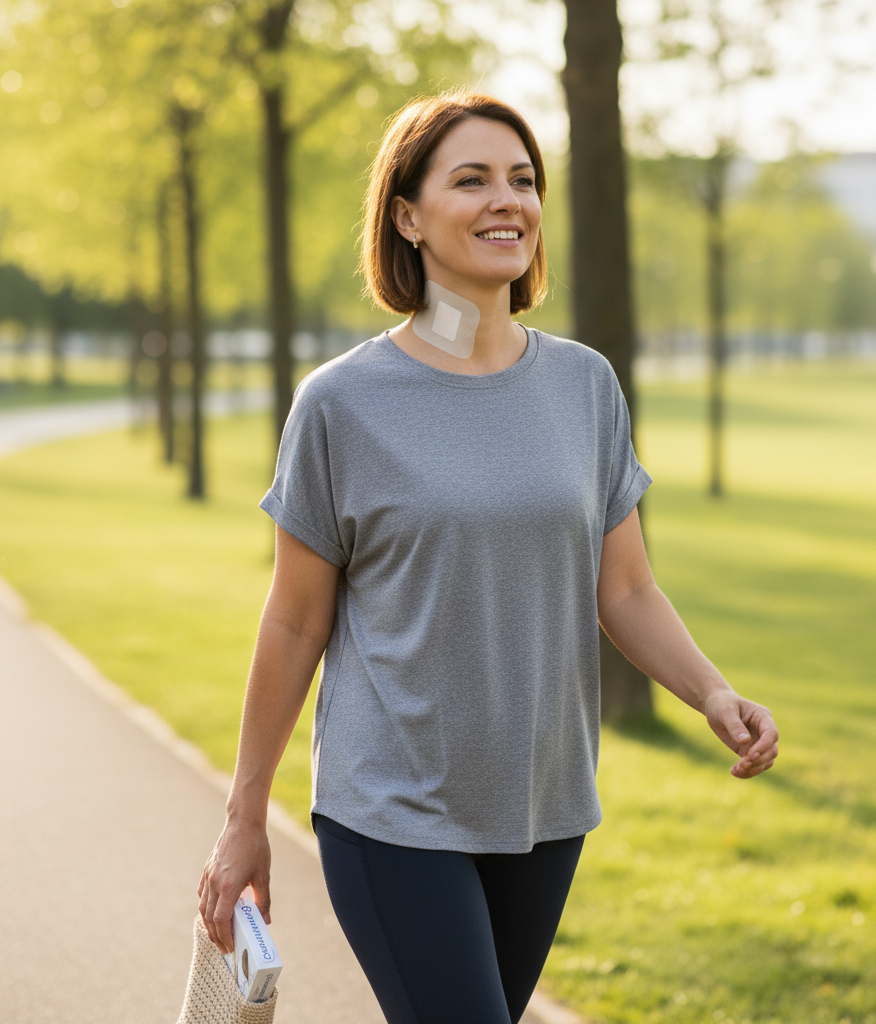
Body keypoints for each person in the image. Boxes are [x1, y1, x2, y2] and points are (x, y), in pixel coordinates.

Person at [197, 92, 779, 1024]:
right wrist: (243, 820)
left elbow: (623, 586)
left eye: (522, 179)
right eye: (471, 179)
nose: (506, 199)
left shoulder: (585, 385)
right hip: (391, 810)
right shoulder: (341, 403)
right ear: (407, 216)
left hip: (544, 807)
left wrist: (712, 692)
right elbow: (297, 618)